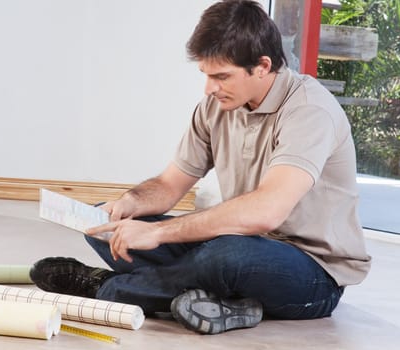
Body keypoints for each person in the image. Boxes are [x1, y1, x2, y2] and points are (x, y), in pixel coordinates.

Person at [30, 0, 371, 335]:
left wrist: (158, 233)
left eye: (221, 76)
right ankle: (221, 303)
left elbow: (267, 212)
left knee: (225, 257)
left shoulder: (309, 112)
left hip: (311, 271)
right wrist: (129, 204)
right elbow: (169, 184)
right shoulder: (216, 106)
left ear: (263, 66)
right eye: (206, 75)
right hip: (240, 239)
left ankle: (107, 289)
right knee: (107, 229)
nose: (209, 89)